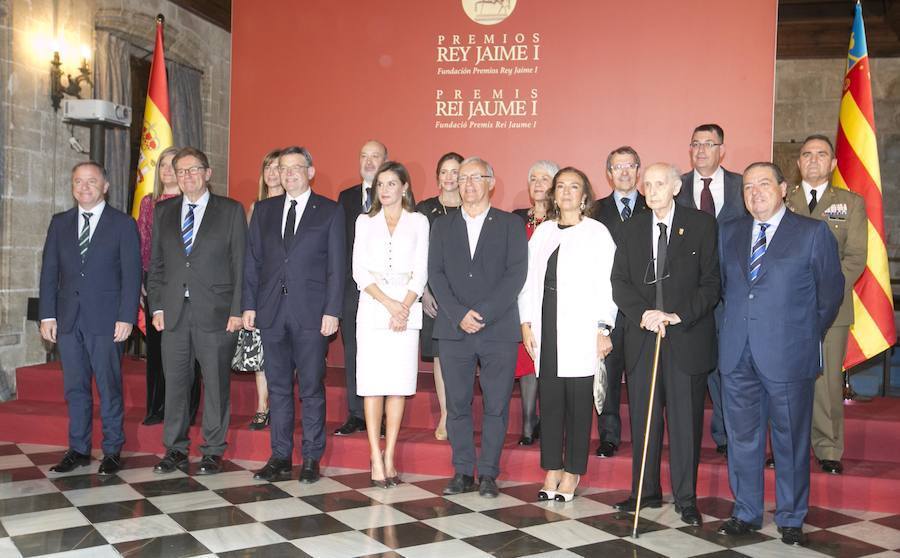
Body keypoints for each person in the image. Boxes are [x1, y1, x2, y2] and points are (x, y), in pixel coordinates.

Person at [717, 162, 843, 546]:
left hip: (789, 354)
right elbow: (727, 289)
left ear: (784, 188)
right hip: (738, 353)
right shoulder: (729, 233)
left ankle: (791, 516)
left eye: (764, 184)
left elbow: (830, 293)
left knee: (790, 441)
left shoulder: (812, 232)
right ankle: (746, 511)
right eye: (749, 186)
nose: (755, 192)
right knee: (742, 438)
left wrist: (803, 334)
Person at [610, 163, 720, 526]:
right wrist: (645, 314)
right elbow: (620, 282)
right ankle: (645, 490)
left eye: (660, 184)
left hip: (685, 338)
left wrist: (675, 316)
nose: (652, 190)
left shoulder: (701, 225)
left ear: (676, 187)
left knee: (685, 424)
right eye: (648, 185)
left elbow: (711, 285)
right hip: (643, 338)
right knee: (644, 420)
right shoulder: (632, 229)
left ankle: (686, 498)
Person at [243, 146, 345, 484]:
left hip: (312, 314)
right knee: (279, 388)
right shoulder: (265, 210)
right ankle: (280, 456)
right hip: (271, 313)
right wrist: (249, 305)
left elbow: (336, 267)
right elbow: (252, 262)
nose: (288, 174)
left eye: (296, 168)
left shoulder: (330, 211)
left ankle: (312, 457)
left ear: (311, 172)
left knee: (311, 388)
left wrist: (332, 310)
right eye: (282, 168)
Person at [428, 156, 528, 498]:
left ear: (491, 182)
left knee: (497, 404)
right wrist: (458, 314)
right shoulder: (442, 226)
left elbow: (516, 274)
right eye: (462, 178)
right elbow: (435, 274)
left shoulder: (510, 225)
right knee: (456, 404)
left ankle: (487, 473)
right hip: (454, 329)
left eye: (475, 177)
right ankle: (462, 471)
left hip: (497, 328)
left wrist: (482, 313)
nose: (467, 184)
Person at [520, 167, 617, 502]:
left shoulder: (597, 233)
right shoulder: (543, 232)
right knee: (551, 403)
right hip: (545, 324)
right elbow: (528, 281)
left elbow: (608, 284)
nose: (566, 192)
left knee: (578, 402)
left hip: (582, 327)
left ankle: (573, 471)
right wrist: (526, 323)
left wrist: (603, 327)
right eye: (560, 186)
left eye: (573, 187)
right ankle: (551, 468)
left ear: (584, 195)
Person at [148, 147, 246, 476]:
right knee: (175, 382)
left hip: (217, 312)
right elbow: (157, 265)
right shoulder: (164, 212)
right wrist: (157, 305)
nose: (187, 176)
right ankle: (174, 449)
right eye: (181, 171)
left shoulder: (231, 211)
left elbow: (240, 264)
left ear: (208, 173)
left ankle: (212, 450)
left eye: (194, 170)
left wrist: (236, 310)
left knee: (216, 384)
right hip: (174, 312)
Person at [39, 161, 141, 475]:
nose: (84, 187)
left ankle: (112, 450)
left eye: (92, 181)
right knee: (75, 387)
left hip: (107, 320)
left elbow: (132, 274)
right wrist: (47, 315)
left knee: (109, 386)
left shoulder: (122, 224)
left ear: (105, 186)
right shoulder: (60, 223)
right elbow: (49, 273)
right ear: (72, 186)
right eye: (78, 182)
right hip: (68, 320)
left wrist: (127, 317)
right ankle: (79, 449)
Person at [784, 135, 866, 475]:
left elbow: (856, 258)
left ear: (833, 164)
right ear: (799, 163)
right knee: (785, 379)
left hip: (830, 310)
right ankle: (788, 447)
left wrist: (825, 293)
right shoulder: (782, 200)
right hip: (786, 309)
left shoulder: (850, 203)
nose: (813, 160)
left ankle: (828, 448)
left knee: (827, 381)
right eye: (807, 155)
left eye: (821, 155)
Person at [353, 161, 429, 487]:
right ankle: (374, 454)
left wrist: (404, 308)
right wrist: (389, 305)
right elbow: (358, 271)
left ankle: (390, 455)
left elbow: (422, 270)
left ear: (404, 188)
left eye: (391, 184)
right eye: (380, 185)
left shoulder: (419, 221)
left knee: (397, 386)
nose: (384, 190)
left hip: (407, 308)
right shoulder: (364, 221)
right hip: (373, 308)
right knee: (373, 386)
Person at [675, 123, 747, 456]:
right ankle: (686, 436)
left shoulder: (741, 186)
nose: (701, 150)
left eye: (709, 143)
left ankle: (726, 435)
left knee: (728, 366)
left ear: (722, 149)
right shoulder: (677, 187)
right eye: (696, 144)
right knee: (694, 363)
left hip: (733, 293)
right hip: (690, 295)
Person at [589, 146, 648, 458]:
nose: (624, 172)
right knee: (608, 376)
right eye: (617, 167)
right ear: (608, 174)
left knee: (642, 377)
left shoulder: (655, 207)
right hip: (607, 310)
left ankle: (643, 435)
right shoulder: (595, 212)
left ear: (639, 171)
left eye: (630, 166)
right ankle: (609, 436)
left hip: (643, 310)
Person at [136, 146, 200, 427]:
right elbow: (143, 244)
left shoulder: (194, 202)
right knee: (157, 348)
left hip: (188, 286)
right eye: (161, 164)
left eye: (172, 165)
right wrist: (143, 281)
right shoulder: (149, 203)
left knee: (189, 351)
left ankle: (187, 408)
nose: (166, 170)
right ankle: (156, 406)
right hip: (156, 283)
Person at [335, 140, 388, 436]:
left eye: (375, 156)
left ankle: (378, 416)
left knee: (380, 352)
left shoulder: (397, 196)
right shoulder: (344, 198)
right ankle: (356, 413)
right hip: (351, 290)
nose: (368, 161)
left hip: (385, 294)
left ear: (385, 161)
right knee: (353, 351)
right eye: (364, 155)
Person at [416, 151, 463, 440]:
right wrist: (423, 291)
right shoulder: (424, 210)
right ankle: (446, 415)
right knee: (440, 356)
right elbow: (417, 254)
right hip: (434, 293)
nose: (449, 177)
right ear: (437, 177)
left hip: (466, 295)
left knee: (464, 355)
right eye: (444, 171)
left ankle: (461, 412)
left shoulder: (473, 207)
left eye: (455, 171)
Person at [511, 160, 556, 446]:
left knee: (548, 361)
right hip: (519, 299)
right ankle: (529, 422)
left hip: (552, 299)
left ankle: (548, 422)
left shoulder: (562, 220)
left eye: (545, 179)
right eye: (534, 179)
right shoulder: (515, 219)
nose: (538, 183)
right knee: (525, 361)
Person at [244, 148, 285, 431]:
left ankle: (281, 402)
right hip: (262, 291)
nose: (271, 173)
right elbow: (250, 256)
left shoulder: (296, 204)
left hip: (290, 293)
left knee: (284, 353)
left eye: (276, 167)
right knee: (261, 353)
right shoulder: (255, 208)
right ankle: (262, 406)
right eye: (267, 167)